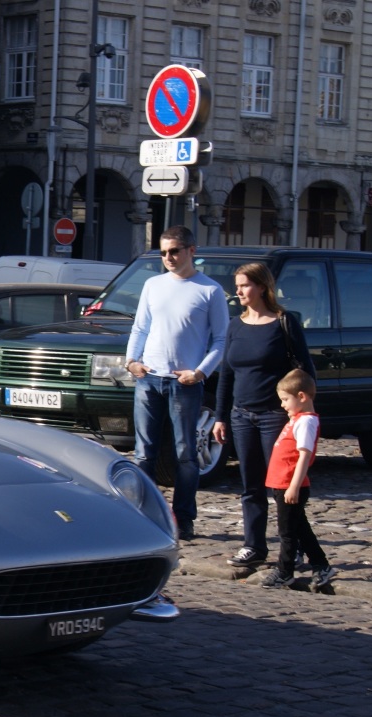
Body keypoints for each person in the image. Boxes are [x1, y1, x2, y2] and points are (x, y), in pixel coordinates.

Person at [125, 225, 230, 540]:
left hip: (184, 383)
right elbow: (140, 326)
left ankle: (184, 517)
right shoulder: (153, 285)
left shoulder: (209, 290)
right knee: (144, 452)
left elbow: (221, 339)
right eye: (164, 252)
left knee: (185, 452)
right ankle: (143, 514)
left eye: (174, 251)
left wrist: (200, 372)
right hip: (149, 379)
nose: (168, 258)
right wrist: (132, 360)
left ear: (191, 252)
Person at [212, 263, 317, 569]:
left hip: (276, 415)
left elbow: (304, 370)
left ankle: (294, 544)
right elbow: (226, 375)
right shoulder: (235, 325)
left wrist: (301, 413)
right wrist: (221, 416)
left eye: (244, 285)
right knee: (251, 485)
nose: (239, 292)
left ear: (261, 287)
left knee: (282, 486)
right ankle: (254, 545)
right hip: (242, 415)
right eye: (237, 285)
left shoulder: (284, 323)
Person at [259, 368, 333, 589]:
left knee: (288, 532)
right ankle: (321, 565)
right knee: (300, 529)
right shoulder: (298, 418)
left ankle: (285, 571)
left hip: (289, 485)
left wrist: (294, 486)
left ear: (302, 397)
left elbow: (304, 456)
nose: (282, 405)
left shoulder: (306, 422)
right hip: (281, 483)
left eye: (285, 399)